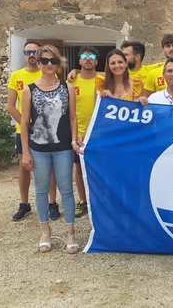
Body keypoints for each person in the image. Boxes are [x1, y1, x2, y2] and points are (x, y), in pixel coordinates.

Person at [20, 45, 80, 254]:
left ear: (58, 63)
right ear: (37, 62)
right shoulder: (29, 90)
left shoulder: (67, 88)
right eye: (44, 61)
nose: (48, 65)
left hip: (63, 147)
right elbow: (24, 123)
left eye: (52, 61)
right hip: (39, 149)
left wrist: (74, 139)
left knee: (66, 190)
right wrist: (26, 152)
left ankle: (70, 232)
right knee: (41, 190)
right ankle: (45, 231)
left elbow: (73, 117)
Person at [7, 40, 59, 221]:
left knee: (50, 167)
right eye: (27, 52)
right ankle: (24, 204)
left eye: (34, 52)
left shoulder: (48, 71)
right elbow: (11, 106)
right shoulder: (16, 76)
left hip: (47, 130)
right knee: (24, 167)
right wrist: (26, 124)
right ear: (23, 54)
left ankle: (52, 203)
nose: (31, 55)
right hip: (24, 129)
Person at [71, 46, 103, 218]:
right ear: (79, 61)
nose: (88, 58)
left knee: (100, 167)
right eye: (84, 56)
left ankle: (99, 200)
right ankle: (83, 201)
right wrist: (74, 134)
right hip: (80, 133)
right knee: (78, 168)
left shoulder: (103, 79)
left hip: (100, 132)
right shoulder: (71, 81)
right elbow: (70, 111)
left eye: (92, 56)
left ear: (97, 61)